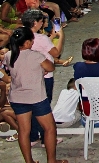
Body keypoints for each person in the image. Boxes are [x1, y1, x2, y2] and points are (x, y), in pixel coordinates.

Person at [4, 27, 68, 163]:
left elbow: (20, 71)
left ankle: (29, 161)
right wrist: (41, 71)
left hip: (17, 98)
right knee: (49, 128)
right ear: (27, 43)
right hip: (36, 98)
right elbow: (50, 67)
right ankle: (51, 160)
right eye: (31, 40)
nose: (33, 42)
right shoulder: (36, 56)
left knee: (24, 131)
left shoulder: (9, 55)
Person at [21, 9, 66, 147]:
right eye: (41, 21)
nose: (43, 23)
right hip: (44, 76)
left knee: (31, 106)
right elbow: (56, 53)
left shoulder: (21, 35)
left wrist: (51, 37)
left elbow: (40, 47)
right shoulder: (41, 38)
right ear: (35, 23)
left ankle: (33, 136)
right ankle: (45, 138)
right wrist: (60, 36)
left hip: (27, 75)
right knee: (43, 107)